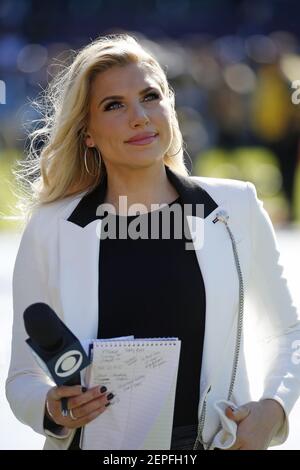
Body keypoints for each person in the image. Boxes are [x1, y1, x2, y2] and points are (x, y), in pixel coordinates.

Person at [6, 33, 300, 451]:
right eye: (114, 105)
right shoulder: (51, 228)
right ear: (87, 132)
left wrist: (273, 409)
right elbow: (22, 378)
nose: (140, 117)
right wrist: (52, 408)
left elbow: (288, 332)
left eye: (150, 96)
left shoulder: (237, 207)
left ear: (171, 107)